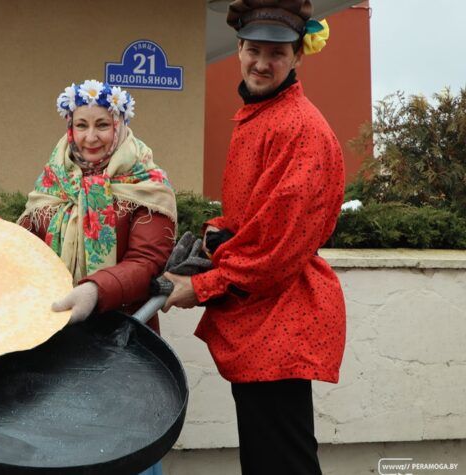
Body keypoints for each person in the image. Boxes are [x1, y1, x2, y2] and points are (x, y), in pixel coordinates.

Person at [0, 80, 177, 475]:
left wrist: (94, 291)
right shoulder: (55, 180)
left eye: (102, 125)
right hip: (57, 340)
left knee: (118, 447)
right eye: (81, 125)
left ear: (120, 125)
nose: (90, 137)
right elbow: (27, 250)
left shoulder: (146, 184)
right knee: (62, 444)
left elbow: (146, 263)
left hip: (120, 343)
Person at [162, 1, 345, 474]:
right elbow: (253, 219)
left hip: (280, 320)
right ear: (239, 48)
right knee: (268, 459)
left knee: (281, 462)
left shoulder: (300, 129)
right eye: (253, 50)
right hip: (263, 319)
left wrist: (200, 286)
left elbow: (276, 248)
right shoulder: (260, 115)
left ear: (297, 55)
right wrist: (217, 234)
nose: (262, 63)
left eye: (277, 53)